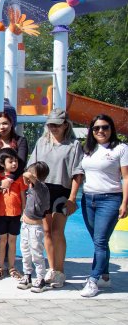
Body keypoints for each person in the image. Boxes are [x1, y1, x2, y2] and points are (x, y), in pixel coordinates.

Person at [26, 108, 83, 289]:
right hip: (43, 190)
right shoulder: (42, 142)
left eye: (57, 124)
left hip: (62, 191)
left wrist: (73, 197)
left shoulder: (74, 145)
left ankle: (60, 270)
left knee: (58, 231)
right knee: (47, 231)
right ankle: (52, 268)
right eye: (50, 124)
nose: (53, 128)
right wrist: (31, 189)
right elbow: (31, 168)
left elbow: (77, 173)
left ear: (65, 125)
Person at [79, 115, 128, 297]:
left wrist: (124, 203)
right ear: (91, 131)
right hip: (88, 199)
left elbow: (126, 177)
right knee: (99, 241)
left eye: (105, 127)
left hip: (110, 199)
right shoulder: (87, 149)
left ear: (111, 129)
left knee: (100, 241)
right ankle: (105, 277)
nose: (101, 131)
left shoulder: (120, 149)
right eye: (96, 128)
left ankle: (93, 280)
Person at [0, 110, 28, 277]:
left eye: (5, 123)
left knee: (12, 235)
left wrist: (9, 180)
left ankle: (11, 265)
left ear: (11, 124)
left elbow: (21, 163)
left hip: (14, 187)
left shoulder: (20, 141)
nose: (2, 127)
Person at [0, 149, 26, 280]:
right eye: (11, 161)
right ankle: (0, 267)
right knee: (2, 240)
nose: (14, 163)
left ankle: (12, 267)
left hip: (15, 214)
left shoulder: (20, 178)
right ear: (2, 164)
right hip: (0, 213)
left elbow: (23, 196)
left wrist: (24, 212)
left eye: (15, 161)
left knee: (12, 241)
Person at [17, 162, 51, 293]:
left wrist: (27, 175)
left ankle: (41, 278)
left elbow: (27, 175)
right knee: (25, 253)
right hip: (25, 226)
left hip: (35, 228)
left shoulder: (42, 188)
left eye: (31, 173)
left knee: (36, 254)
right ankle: (27, 276)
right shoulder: (31, 188)